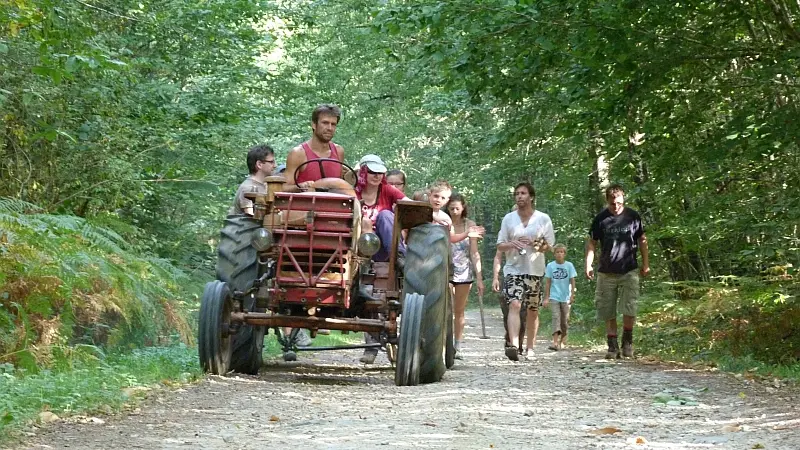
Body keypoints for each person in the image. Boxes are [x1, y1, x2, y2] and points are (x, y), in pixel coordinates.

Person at [355, 156, 410, 364]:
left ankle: (402, 258)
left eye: (380, 172)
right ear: (363, 173)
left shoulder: (387, 191)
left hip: (385, 251)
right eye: (372, 172)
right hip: (359, 251)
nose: (377, 176)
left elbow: (407, 204)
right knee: (362, 221)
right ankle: (371, 347)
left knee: (386, 215)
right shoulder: (354, 191)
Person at [585, 183, 649, 359]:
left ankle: (627, 342)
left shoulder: (633, 217)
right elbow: (592, 242)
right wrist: (588, 264)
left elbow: (642, 240)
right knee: (607, 309)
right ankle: (612, 346)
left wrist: (646, 264)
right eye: (612, 203)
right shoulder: (600, 219)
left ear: (623, 198)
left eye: (619, 202)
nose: (616, 206)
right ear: (607, 201)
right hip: (606, 271)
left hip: (629, 269)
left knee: (630, 307)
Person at [492, 182, 555, 361]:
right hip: (513, 269)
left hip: (534, 269)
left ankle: (530, 348)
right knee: (514, 304)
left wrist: (535, 243)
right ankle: (513, 344)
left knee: (532, 309)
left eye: (523, 193)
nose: (519, 196)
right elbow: (500, 244)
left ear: (531, 197)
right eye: (517, 194)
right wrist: (512, 243)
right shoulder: (508, 219)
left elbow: (548, 246)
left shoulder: (543, 219)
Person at [446, 193, 485, 359]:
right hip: (445, 269)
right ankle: (443, 345)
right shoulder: (444, 222)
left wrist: (480, 277)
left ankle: (457, 345)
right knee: (446, 309)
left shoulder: (470, 224)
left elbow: (474, 252)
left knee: (459, 310)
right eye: (451, 208)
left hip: (464, 271)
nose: (454, 211)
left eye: (457, 208)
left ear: (463, 208)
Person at [284, 104, 346, 190]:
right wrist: (300, 187)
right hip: (305, 202)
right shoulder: (298, 153)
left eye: (333, 124)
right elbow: (284, 188)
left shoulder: (339, 151)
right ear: (314, 124)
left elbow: (340, 186)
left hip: (333, 203)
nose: (330, 128)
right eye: (325, 123)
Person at [543, 244, 577, 351]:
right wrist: (546, 297)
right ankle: (555, 342)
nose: (559, 254)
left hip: (565, 296)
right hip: (554, 296)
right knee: (555, 317)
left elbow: (572, 281)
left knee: (565, 320)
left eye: (562, 252)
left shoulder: (569, 265)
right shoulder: (550, 266)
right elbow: (548, 282)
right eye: (557, 252)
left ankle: (563, 341)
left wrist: (572, 295)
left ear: (565, 254)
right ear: (554, 254)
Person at [229, 144, 276, 215]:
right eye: (271, 162)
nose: (275, 165)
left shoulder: (265, 185)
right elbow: (251, 218)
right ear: (259, 164)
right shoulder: (248, 188)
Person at [495, 249, 526, 353]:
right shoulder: (507, 236)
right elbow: (498, 254)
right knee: (509, 312)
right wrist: (495, 278)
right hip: (509, 277)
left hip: (529, 275)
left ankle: (518, 345)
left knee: (524, 314)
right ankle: (511, 342)